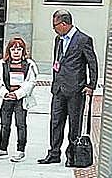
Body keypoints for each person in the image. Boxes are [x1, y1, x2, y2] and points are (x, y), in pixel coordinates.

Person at [39, 10, 99, 165]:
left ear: (64, 24)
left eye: (55, 25)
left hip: (75, 89)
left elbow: (92, 63)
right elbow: (58, 61)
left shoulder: (83, 39)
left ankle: (72, 155)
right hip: (59, 88)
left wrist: (91, 85)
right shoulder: (58, 40)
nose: (54, 29)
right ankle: (54, 153)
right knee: (55, 122)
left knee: (74, 123)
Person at [0, 36, 40, 162]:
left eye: (19, 49)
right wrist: (5, 93)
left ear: (23, 51)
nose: (16, 52)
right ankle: (2, 149)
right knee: (4, 125)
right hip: (6, 98)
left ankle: (20, 150)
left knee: (21, 124)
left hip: (21, 100)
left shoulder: (29, 65)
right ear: (9, 51)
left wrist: (18, 93)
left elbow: (31, 82)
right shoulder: (2, 65)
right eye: (13, 49)